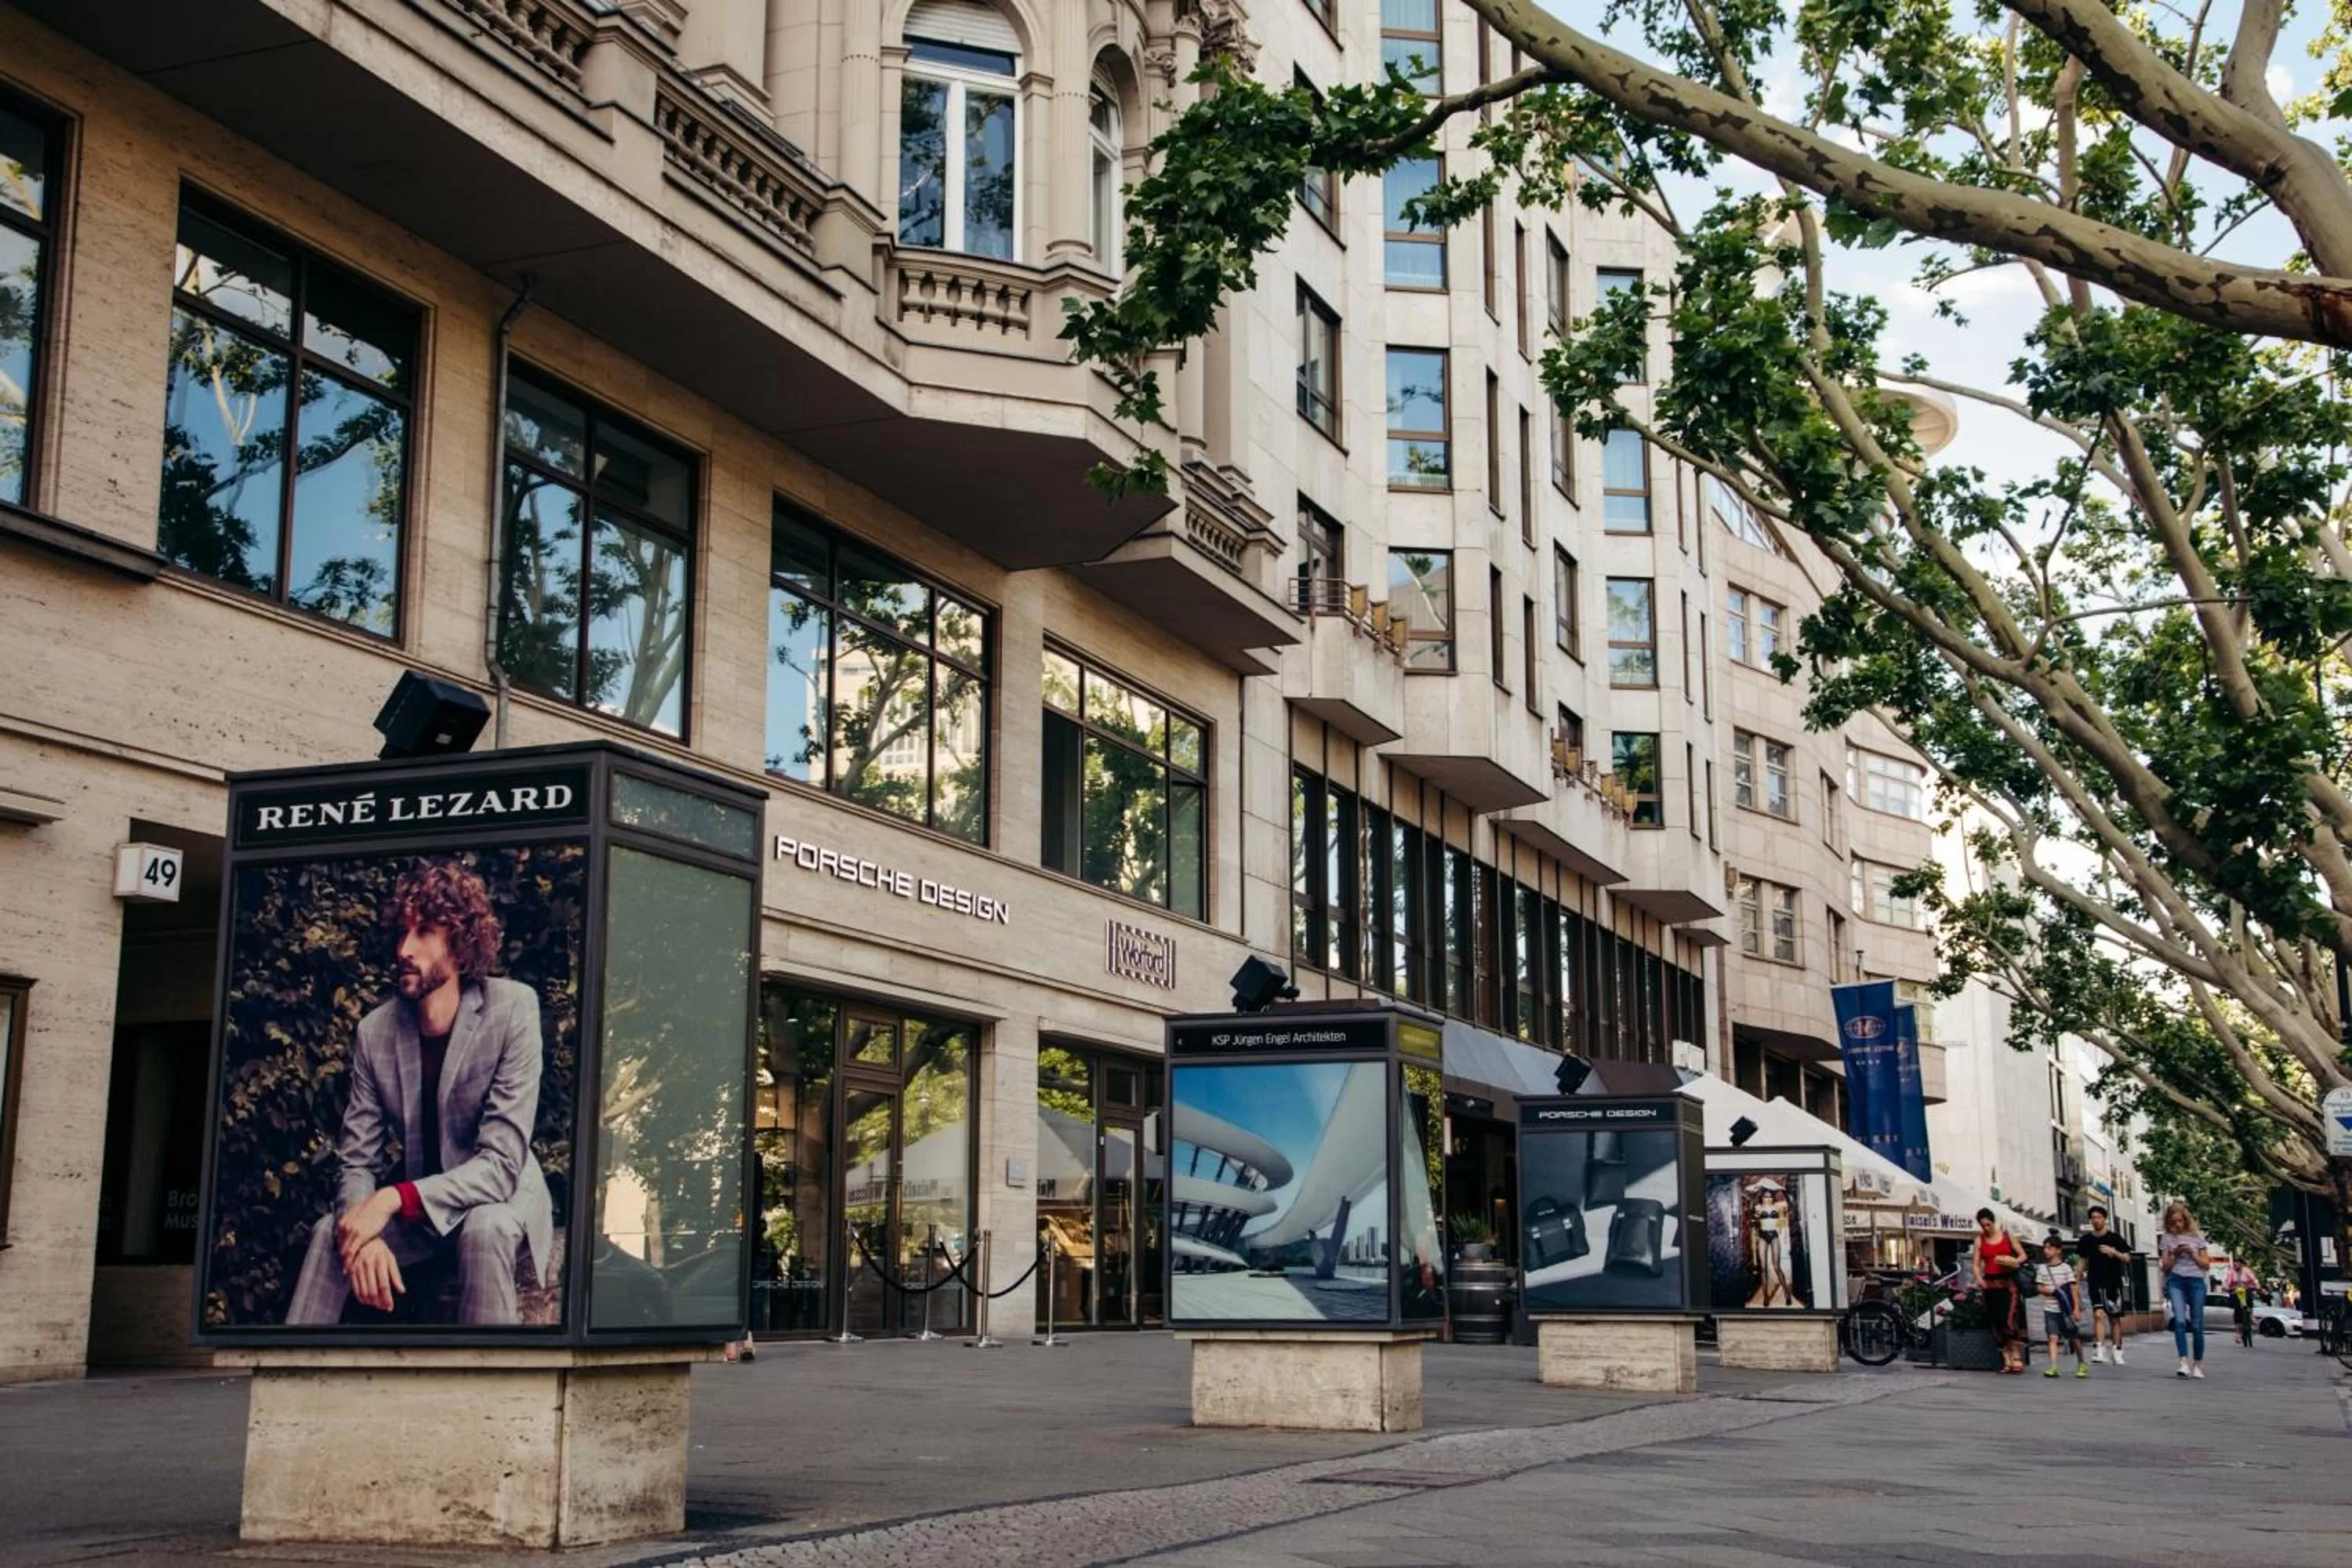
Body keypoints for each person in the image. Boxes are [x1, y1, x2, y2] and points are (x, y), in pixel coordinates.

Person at [285, 860, 554, 1326]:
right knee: (333, 1232)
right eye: (403, 932)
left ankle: (490, 1373)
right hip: (421, 1214)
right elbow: (357, 1161)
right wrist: (364, 1235)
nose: (405, 949)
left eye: (425, 931)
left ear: (462, 944)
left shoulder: (513, 1010)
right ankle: (289, 1372)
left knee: (485, 1229)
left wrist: (391, 1200)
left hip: (499, 1198)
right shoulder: (376, 1032)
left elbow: (500, 1164)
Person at [2156, 1202, 2214, 1378]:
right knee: (2180, 1321)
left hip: (2196, 1281)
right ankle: (2183, 1361)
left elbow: (2206, 1265)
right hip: (2176, 1281)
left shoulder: (2197, 1237)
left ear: (2186, 1220)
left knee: (2197, 1325)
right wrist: (2175, 1254)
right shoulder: (2167, 1239)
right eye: (2173, 1222)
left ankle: (2198, 1364)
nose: (2177, 1225)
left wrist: (2192, 1253)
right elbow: (2165, 1267)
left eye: (2180, 1221)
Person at [1973, 1208, 2031, 1374]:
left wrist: (2013, 1261)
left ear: (1994, 1222)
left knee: (2009, 1319)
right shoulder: (1979, 1240)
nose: (1986, 1228)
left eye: (1988, 1224)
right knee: (1996, 1321)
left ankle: (2016, 1354)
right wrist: (1979, 1279)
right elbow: (1976, 1265)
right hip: (1990, 1284)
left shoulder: (2007, 1236)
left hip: (2007, 1282)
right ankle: (2006, 1357)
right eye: (1983, 1225)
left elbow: (2023, 1255)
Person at [2075, 1204, 2132, 1365]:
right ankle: (2099, 1349)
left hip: (2113, 1282)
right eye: (2093, 1218)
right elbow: (2081, 1261)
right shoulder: (2086, 1240)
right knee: (2098, 1314)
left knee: (2114, 1318)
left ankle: (2117, 1350)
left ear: (2105, 1219)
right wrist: (2076, 1280)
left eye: (2099, 1217)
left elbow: (2127, 1258)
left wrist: (2113, 1252)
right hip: (2095, 1281)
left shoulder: (2115, 1238)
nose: (2096, 1220)